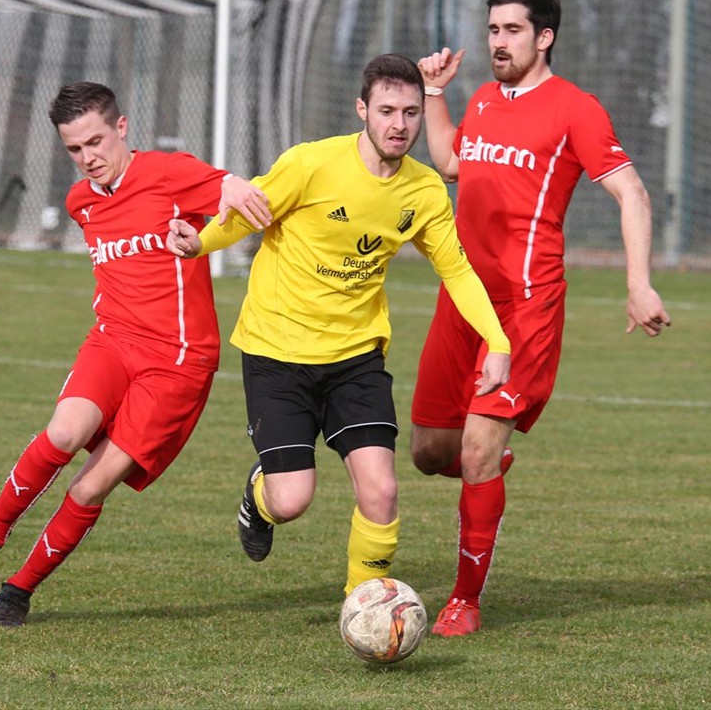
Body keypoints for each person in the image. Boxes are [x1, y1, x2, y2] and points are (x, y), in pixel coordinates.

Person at [0, 81, 273, 627]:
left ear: (121, 127)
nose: (88, 157)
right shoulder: (79, 202)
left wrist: (233, 190)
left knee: (90, 484)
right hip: (112, 340)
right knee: (63, 433)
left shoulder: (169, 173)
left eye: (96, 142)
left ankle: (17, 591)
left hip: (177, 362)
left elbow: (229, 188)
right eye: (74, 148)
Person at [166, 53, 511, 597]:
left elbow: (458, 271)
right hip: (277, 352)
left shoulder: (424, 192)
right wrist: (199, 243)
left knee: (382, 492)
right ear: (362, 110)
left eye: (411, 113)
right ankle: (260, 497)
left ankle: (363, 605)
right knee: (291, 500)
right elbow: (247, 213)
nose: (399, 125)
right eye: (387, 111)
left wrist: (497, 341)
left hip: (356, 359)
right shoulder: (311, 164)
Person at [411, 0, 672, 637]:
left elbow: (633, 194)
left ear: (544, 36)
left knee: (475, 453)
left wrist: (638, 283)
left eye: (512, 30)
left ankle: (464, 600)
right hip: (462, 301)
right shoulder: (483, 99)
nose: (498, 41)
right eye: (493, 30)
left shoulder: (575, 109)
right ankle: (486, 466)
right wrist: (435, 93)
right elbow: (450, 163)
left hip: (525, 306)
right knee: (428, 452)